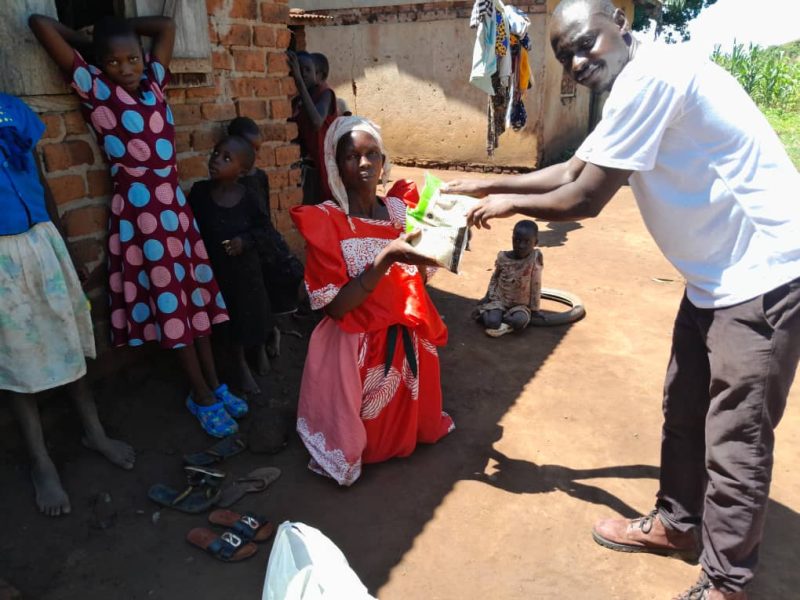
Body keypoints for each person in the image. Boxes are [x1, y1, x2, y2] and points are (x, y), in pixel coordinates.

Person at [445, 1, 800, 598]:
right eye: (566, 57)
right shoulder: (632, 85)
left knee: (736, 438)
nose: (578, 62)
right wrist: (487, 183)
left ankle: (725, 584)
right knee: (683, 408)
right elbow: (571, 169)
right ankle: (677, 524)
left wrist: (508, 205)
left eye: (585, 44)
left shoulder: (654, 79)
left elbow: (583, 198)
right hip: (713, 277)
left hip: (761, 276)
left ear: (620, 21)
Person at [29, 14, 248, 438]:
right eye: (113, 62)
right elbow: (40, 22)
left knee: (192, 298)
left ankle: (215, 384)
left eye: (133, 58)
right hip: (142, 217)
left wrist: (113, 29)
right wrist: (86, 41)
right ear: (100, 65)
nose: (126, 68)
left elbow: (166, 25)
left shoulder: (154, 84)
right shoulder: (95, 89)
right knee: (172, 306)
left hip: (175, 212)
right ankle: (200, 394)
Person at [290, 116, 454, 486]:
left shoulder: (399, 212)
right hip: (356, 342)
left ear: (383, 161)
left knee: (400, 420)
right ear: (336, 164)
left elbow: (417, 280)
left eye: (372, 155)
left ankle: (401, 437)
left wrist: (443, 244)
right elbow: (335, 307)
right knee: (361, 428)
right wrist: (385, 259)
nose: (364, 164)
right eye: (351, 156)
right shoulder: (328, 221)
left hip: (403, 333)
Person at [0, 94, 136, 516]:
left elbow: (40, 182)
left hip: (43, 242)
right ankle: (40, 461)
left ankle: (94, 431)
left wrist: (65, 246)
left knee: (69, 340)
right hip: (2, 258)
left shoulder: (11, 109)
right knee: (16, 360)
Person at [188, 136, 273, 396]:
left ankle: (259, 348)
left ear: (242, 171)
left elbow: (265, 229)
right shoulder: (200, 193)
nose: (216, 160)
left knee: (253, 315)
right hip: (215, 273)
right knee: (227, 320)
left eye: (227, 158)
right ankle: (239, 363)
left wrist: (243, 242)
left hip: (246, 273)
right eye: (216, 153)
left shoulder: (248, 197)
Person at [226, 117, 304, 365]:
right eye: (249, 149)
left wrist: (269, 242)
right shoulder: (230, 183)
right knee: (254, 295)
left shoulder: (259, 177)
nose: (254, 156)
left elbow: (265, 217)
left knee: (282, 280)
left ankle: (273, 331)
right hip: (241, 247)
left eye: (258, 150)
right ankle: (258, 344)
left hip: (261, 241)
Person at [474, 219, 543, 337]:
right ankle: (484, 313)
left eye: (527, 242)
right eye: (517, 240)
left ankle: (502, 318)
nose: (521, 246)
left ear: (535, 242)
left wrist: (535, 310)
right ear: (512, 239)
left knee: (519, 321)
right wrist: (487, 297)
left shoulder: (535, 257)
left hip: (520, 305)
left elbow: (536, 284)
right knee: (492, 322)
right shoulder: (503, 257)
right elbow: (495, 278)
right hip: (499, 300)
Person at [287, 50, 338, 204]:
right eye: (298, 70)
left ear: (319, 75)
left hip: (326, 161)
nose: (302, 74)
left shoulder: (325, 94)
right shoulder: (299, 101)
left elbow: (317, 122)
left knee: (326, 203)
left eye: (307, 70)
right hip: (308, 166)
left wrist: (299, 82)